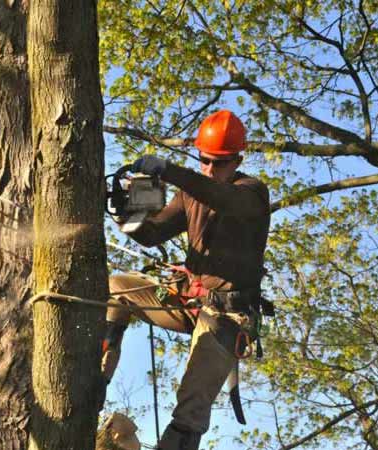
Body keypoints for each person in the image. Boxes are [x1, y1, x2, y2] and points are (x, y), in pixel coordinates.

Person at [102, 110, 271, 450]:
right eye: (204, 160)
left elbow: (220, 197)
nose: (209, 168)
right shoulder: (192, 194)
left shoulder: (251, 193)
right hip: (188, 299)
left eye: (218, 163)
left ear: (237, 159)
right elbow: (151, 234)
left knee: (190, 410)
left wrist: (171, 171)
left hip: (227, 316)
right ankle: (93, 384)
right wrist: (127, 211)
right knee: (115, 288)